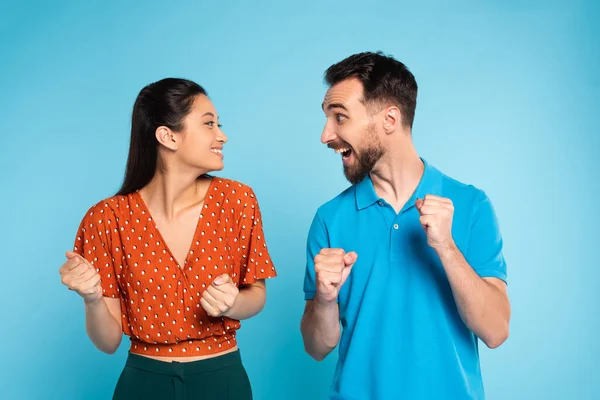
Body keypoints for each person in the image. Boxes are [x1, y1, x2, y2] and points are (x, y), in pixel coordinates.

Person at [300, 52, 510, 400]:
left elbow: (496, 330)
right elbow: (316, 347)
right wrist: (324, 299)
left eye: (340, 117)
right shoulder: (329, 218)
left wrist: (446, 246)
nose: (326, 135)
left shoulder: (471, 206)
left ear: (390, 119)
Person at [59, 78, 276, 399]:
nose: (222, 135)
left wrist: (234, 302)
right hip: (144, 382)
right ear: (168, 136)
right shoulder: (106, 219)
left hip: (222, 378)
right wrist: (92, 298)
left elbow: (256, 293)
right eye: (209, 124)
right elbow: (108, 343)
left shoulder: (237, 199)